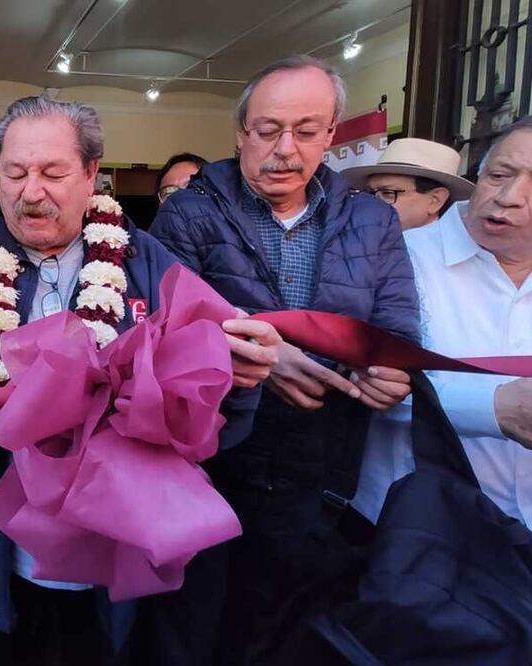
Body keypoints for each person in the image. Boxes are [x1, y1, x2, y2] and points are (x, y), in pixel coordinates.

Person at [0, 95, 283, 666]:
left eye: (53, 173)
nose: (31, 192)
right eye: (16, 173)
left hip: (112, 539)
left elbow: (211, 394)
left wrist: (238, 373)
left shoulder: (147, 262)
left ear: (91, 173)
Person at [149, 55, 420, 663]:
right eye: (268, 130)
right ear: (241, 132)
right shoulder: (189, 214)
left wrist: (389, 375)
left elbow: (396, 327)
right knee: (197, 624)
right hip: (213, 460)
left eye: (305, 130)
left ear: (331, 133)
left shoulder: (372, 221)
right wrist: (259, 363)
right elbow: (162, 332)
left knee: (292, 628)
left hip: (323, 463)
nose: (285, 149)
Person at [355, 117, 532, 524]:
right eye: (499, 174)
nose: (508, 197)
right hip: (418, 541)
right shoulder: (399, 259)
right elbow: (367, 383)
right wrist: (495, 408)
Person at [342, 137, 474, 230]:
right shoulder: (355, 243)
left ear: (435, 200)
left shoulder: (457, 261)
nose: (372, 203)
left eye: (388, 193)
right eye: (369, 193)